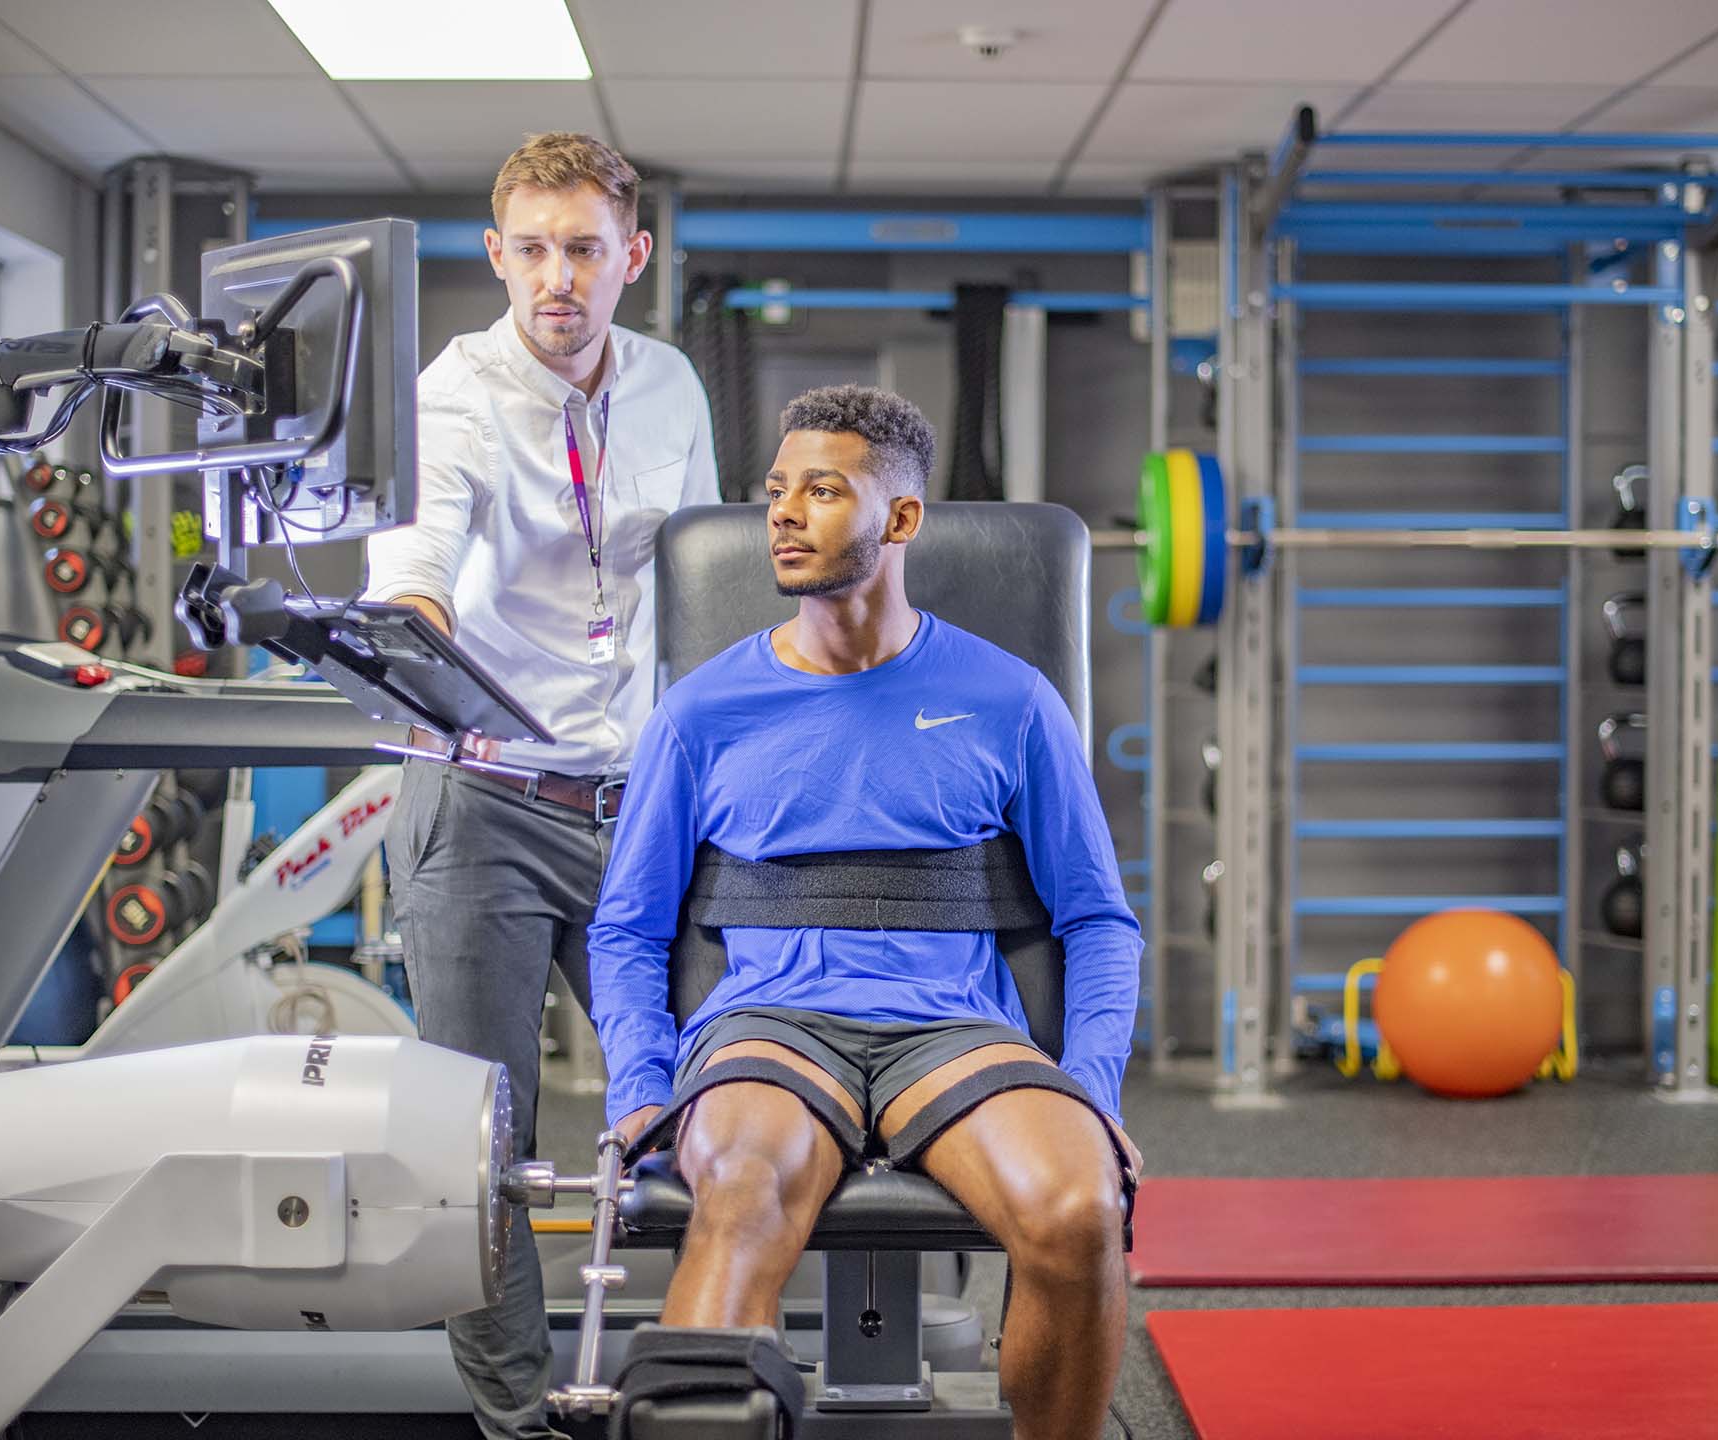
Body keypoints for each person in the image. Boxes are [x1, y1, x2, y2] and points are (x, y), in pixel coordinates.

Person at [586, 385, 1142, 1440]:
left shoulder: (1010, 698)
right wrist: (641, 1083)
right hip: (772, 1028)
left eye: (823, 490)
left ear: (900, 519)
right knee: (741, 1193)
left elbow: (1099, 920)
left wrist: (1095, 1089)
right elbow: (627, 928)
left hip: (952, 1029)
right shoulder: (701, 711)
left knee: (1079, 1212)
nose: (784, 514)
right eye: (776, 490)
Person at [364, 131, 718, 1439]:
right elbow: (424, 547)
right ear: (495, 254)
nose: (557, 279)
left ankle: (701, 1385)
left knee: (714, 1103)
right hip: (487, 801)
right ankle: (518, 1423)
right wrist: (409, 613)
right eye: (532, 250)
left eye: (583, 249)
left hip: (640, 807)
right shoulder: (451, 399)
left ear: (632, 256)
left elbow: (705, 581)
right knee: (483, 1148)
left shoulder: (673, 389)